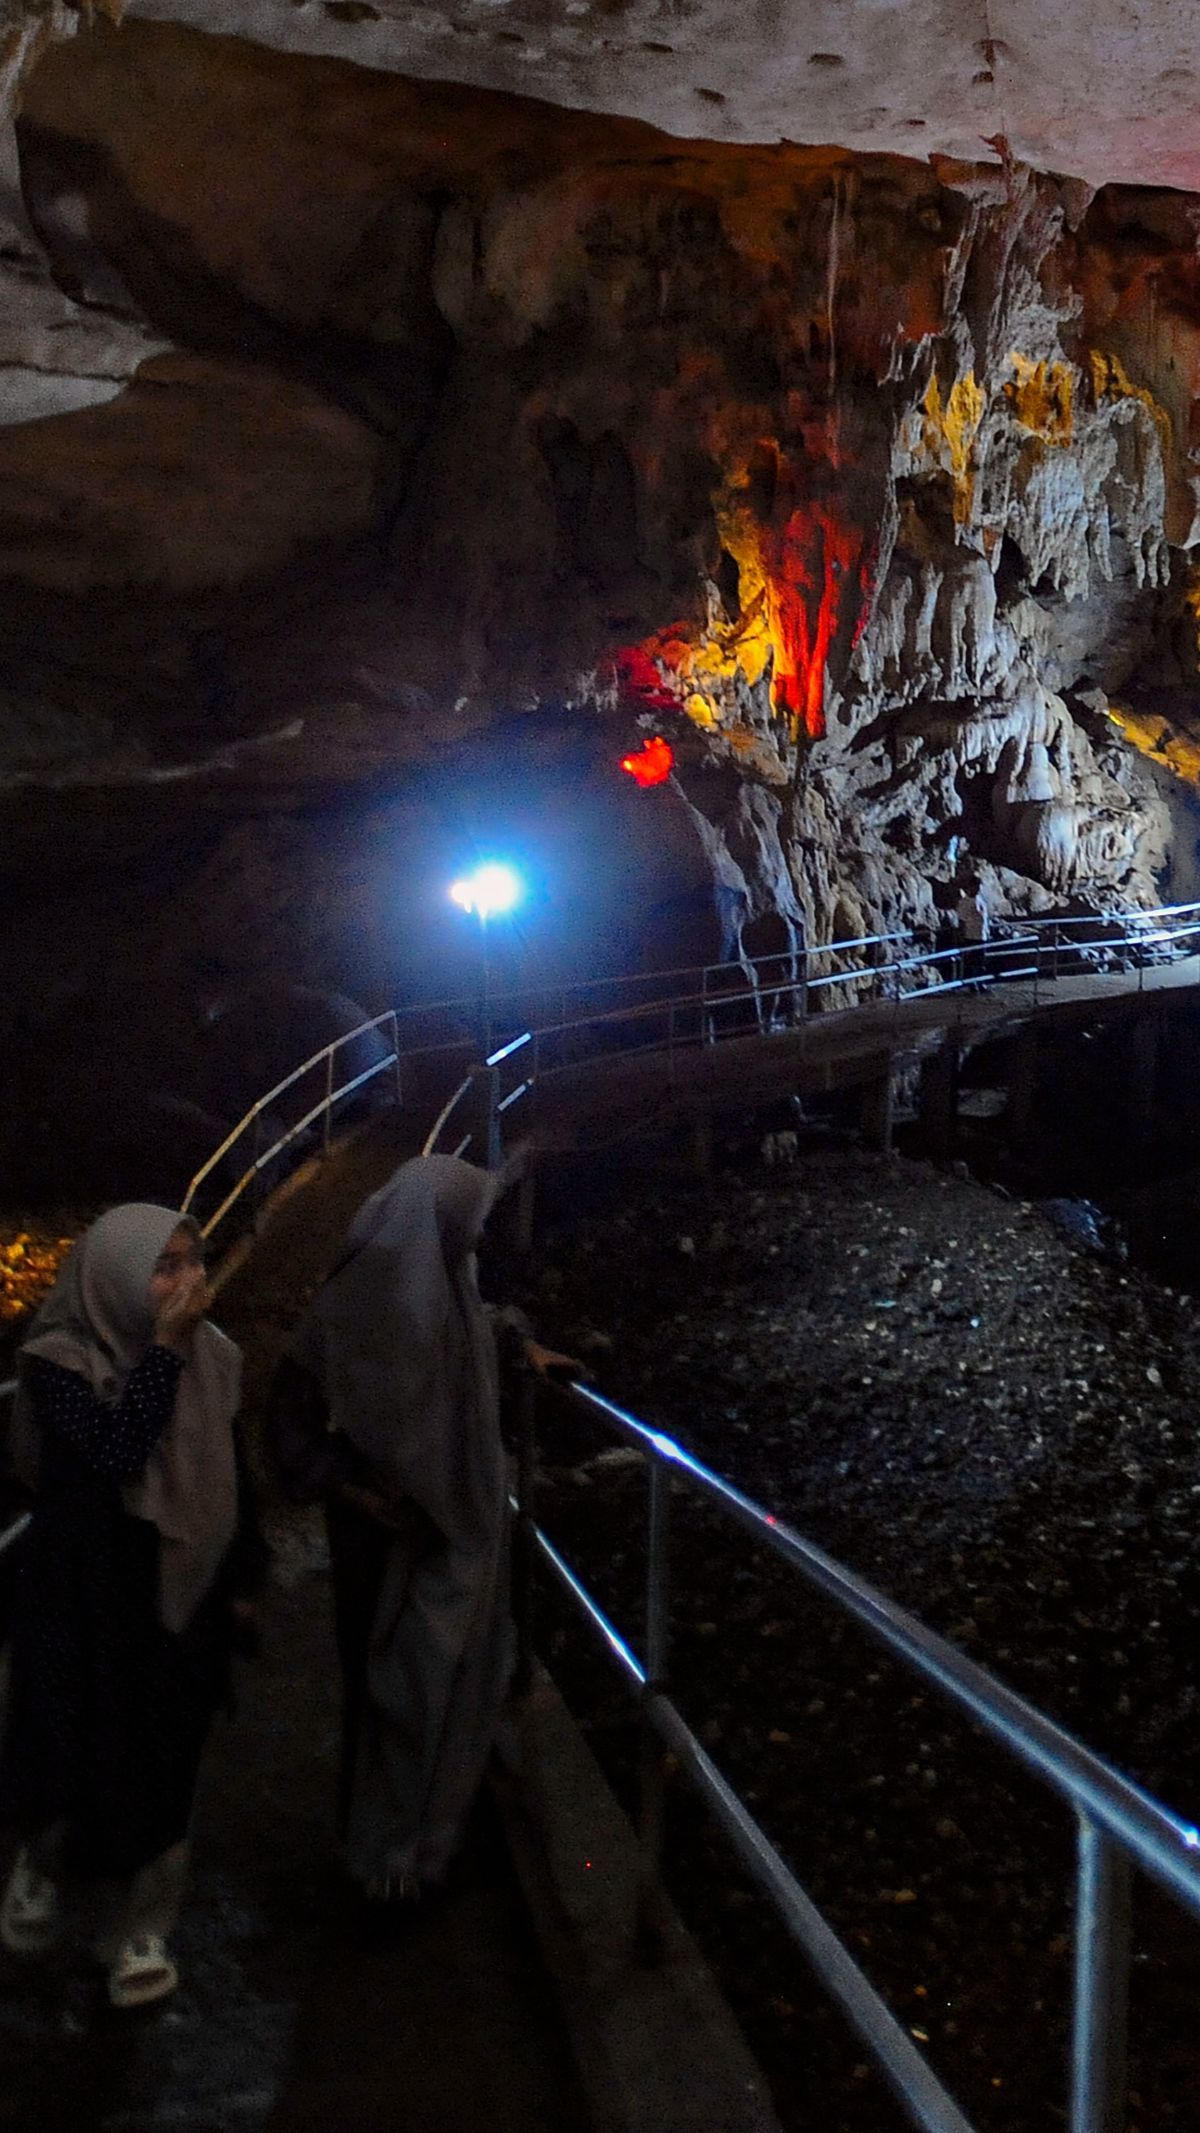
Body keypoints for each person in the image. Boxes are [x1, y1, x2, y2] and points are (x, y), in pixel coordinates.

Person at [268, 1153, 571, 1909]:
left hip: (427, 1514)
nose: (476, 1240)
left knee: (423, 1678)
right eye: (469, 1226)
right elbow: (293, 1414)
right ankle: (384, 1855)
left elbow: (469, 1325)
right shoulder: (371, 1299)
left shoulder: (430, 1275)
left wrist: (517, 1344)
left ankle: (409, 1839)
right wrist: (354, 1485)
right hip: (388, 1531)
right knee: (393, 1685)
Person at [0, 1205, 259, 2008]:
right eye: (163, 1265)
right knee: (65, 1731)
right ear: (112, 1273)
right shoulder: (59, 1361)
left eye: (192, 1261)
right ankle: (41, 1865)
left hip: (180, 1587)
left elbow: (234, 1475)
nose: (185, 1281)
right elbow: (112, 1454)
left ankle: (143, 1925)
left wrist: (244, 1579)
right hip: (80, 1592)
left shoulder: (216, 1358)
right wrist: (166, 1354)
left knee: (165, 1750)